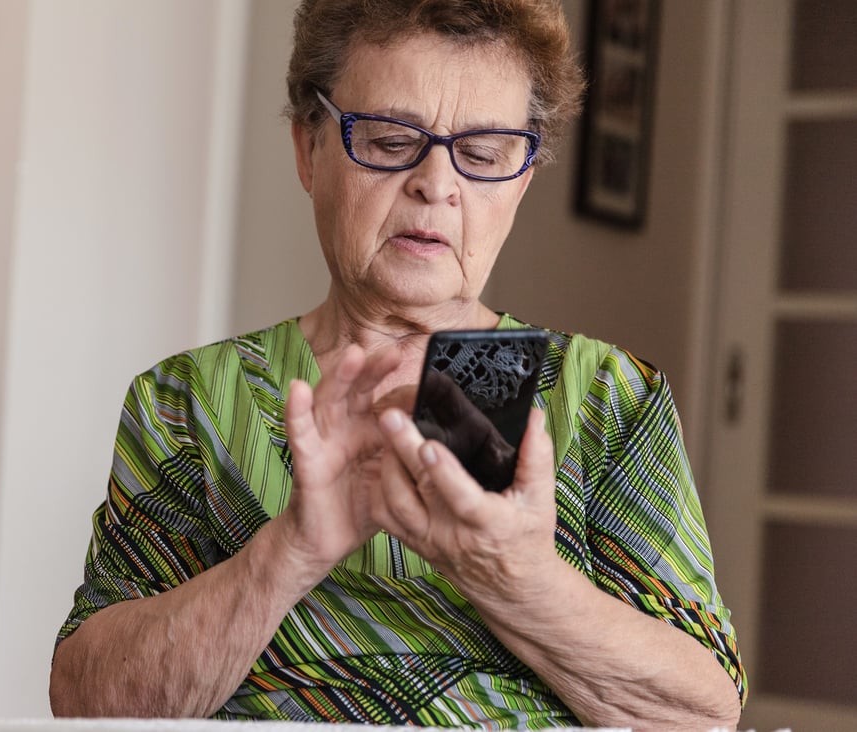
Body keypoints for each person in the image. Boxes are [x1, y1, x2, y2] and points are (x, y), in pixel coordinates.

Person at [49, 0, 745, 728]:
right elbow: (85, 703)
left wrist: (518, 581)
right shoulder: (185, 399)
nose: (437, 185)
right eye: (388, 139)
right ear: (307, 149)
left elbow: (701, 714)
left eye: (482, 154)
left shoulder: (605, 397)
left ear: (523, 181)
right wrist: (290, 551)